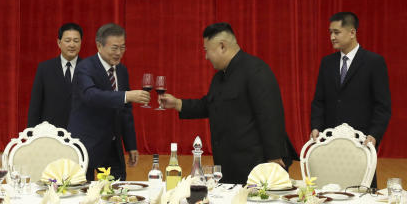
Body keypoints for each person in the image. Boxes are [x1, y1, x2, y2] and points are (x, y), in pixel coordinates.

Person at [159, 23, 295, 185]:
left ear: (222, 46)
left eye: (206, 50)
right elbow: (210, 105)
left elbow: (271, 115)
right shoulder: (219, 77)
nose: (206, 57)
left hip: (255, 167)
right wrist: (177, 104)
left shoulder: (256, 70)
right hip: (228, 167)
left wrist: (274, 158)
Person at [309, 12, 391, 186]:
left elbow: (382, 106)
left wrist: (374, 135)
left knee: (361, 194)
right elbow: (318, 100)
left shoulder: (373, 62)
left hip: (360, 143)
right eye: (330, 32)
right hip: (329, 141)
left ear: (352, 32)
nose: (332, 37)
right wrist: (316, 126)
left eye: (337, 32)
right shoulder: (327, 63)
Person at [68, 23, 149, 180]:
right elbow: (91, 95)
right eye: (114, 48)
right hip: (87, 144)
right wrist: (126, 95)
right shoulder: (84, 68)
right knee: (85, 195)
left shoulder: (122, 70)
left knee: (117, 192)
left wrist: (131, 145)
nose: (119, 53)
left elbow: (125, 111)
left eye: (122, 47)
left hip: (112, 146)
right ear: (99, 46)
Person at [27, 23, 83, 129]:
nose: (72, 45)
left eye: (76, 41)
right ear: (59, 42)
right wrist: (31, 133)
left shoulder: (89, 68)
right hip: (51, 133)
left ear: (81, 43)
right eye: (67, 40)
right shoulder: (45, 68)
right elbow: (36, 104)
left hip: (80, 133)